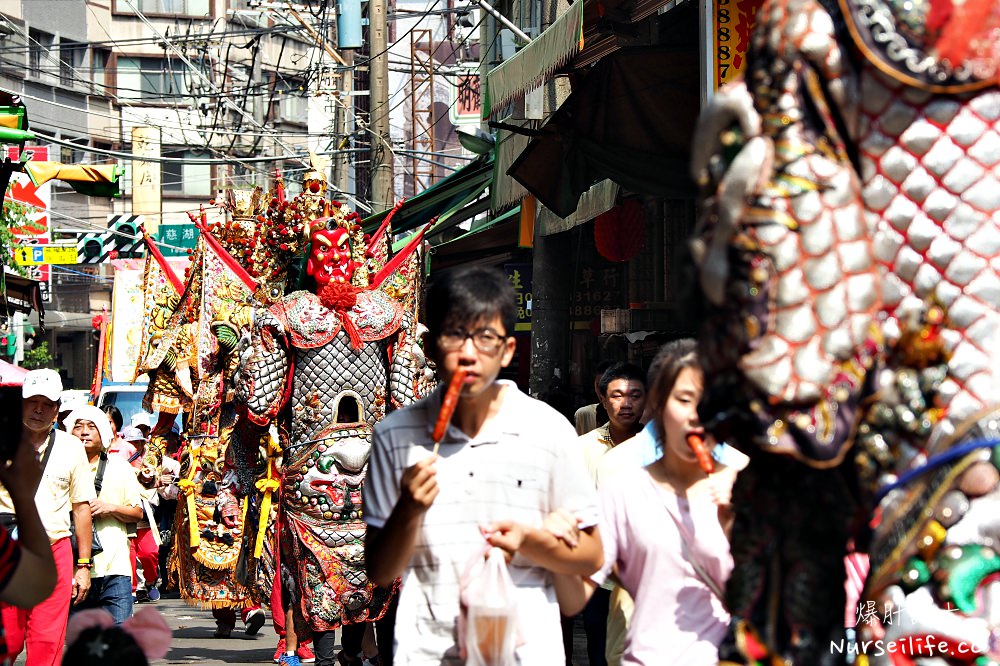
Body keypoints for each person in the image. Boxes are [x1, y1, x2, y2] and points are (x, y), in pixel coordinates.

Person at [364, 266, 604, 664]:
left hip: (527, 651)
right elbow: (380, 570)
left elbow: (592, 555)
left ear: (508, 350)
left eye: (485, 337)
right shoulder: (395, 436)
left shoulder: (548, 430)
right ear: (430, 348)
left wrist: (531, 541)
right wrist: (408, 509)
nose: (469, 353)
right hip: (427, 651)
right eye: (454, 334)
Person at [554, 339, 738, 664]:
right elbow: (578, 592)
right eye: (683, 399)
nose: (697, 415)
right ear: (658, 402)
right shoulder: (621, 473)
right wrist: (549, 543)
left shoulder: (745, 477)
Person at [0, 369, 96, 666]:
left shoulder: (71, 448)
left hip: (53, 552)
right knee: (8, 640)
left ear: (57, 410)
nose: (38, 410)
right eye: (32, 402)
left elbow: (81, 509)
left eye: (46, 404)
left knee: (46, 642)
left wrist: (83, 566)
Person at [572, 361, 646, 666]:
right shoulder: (582, 448)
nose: (626, 404)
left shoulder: (663, 449)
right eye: (617, 395)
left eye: (635, 396)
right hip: (599, 575)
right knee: (599, 650)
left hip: (647, 574)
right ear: (603, 399)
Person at [66, 405, 144, 625]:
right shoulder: (63, 468)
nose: (84, 432)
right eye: (78, 426)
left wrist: (110, 508)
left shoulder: (120, 467)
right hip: (73, 569)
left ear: (104, 433)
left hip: (115, 569)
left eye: (91, 427)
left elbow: (137, 513)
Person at [573, 360, 613, 436]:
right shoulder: (584, 414)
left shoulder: (628, 414)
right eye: (598, 385)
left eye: (608, 385)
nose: (602, 391)